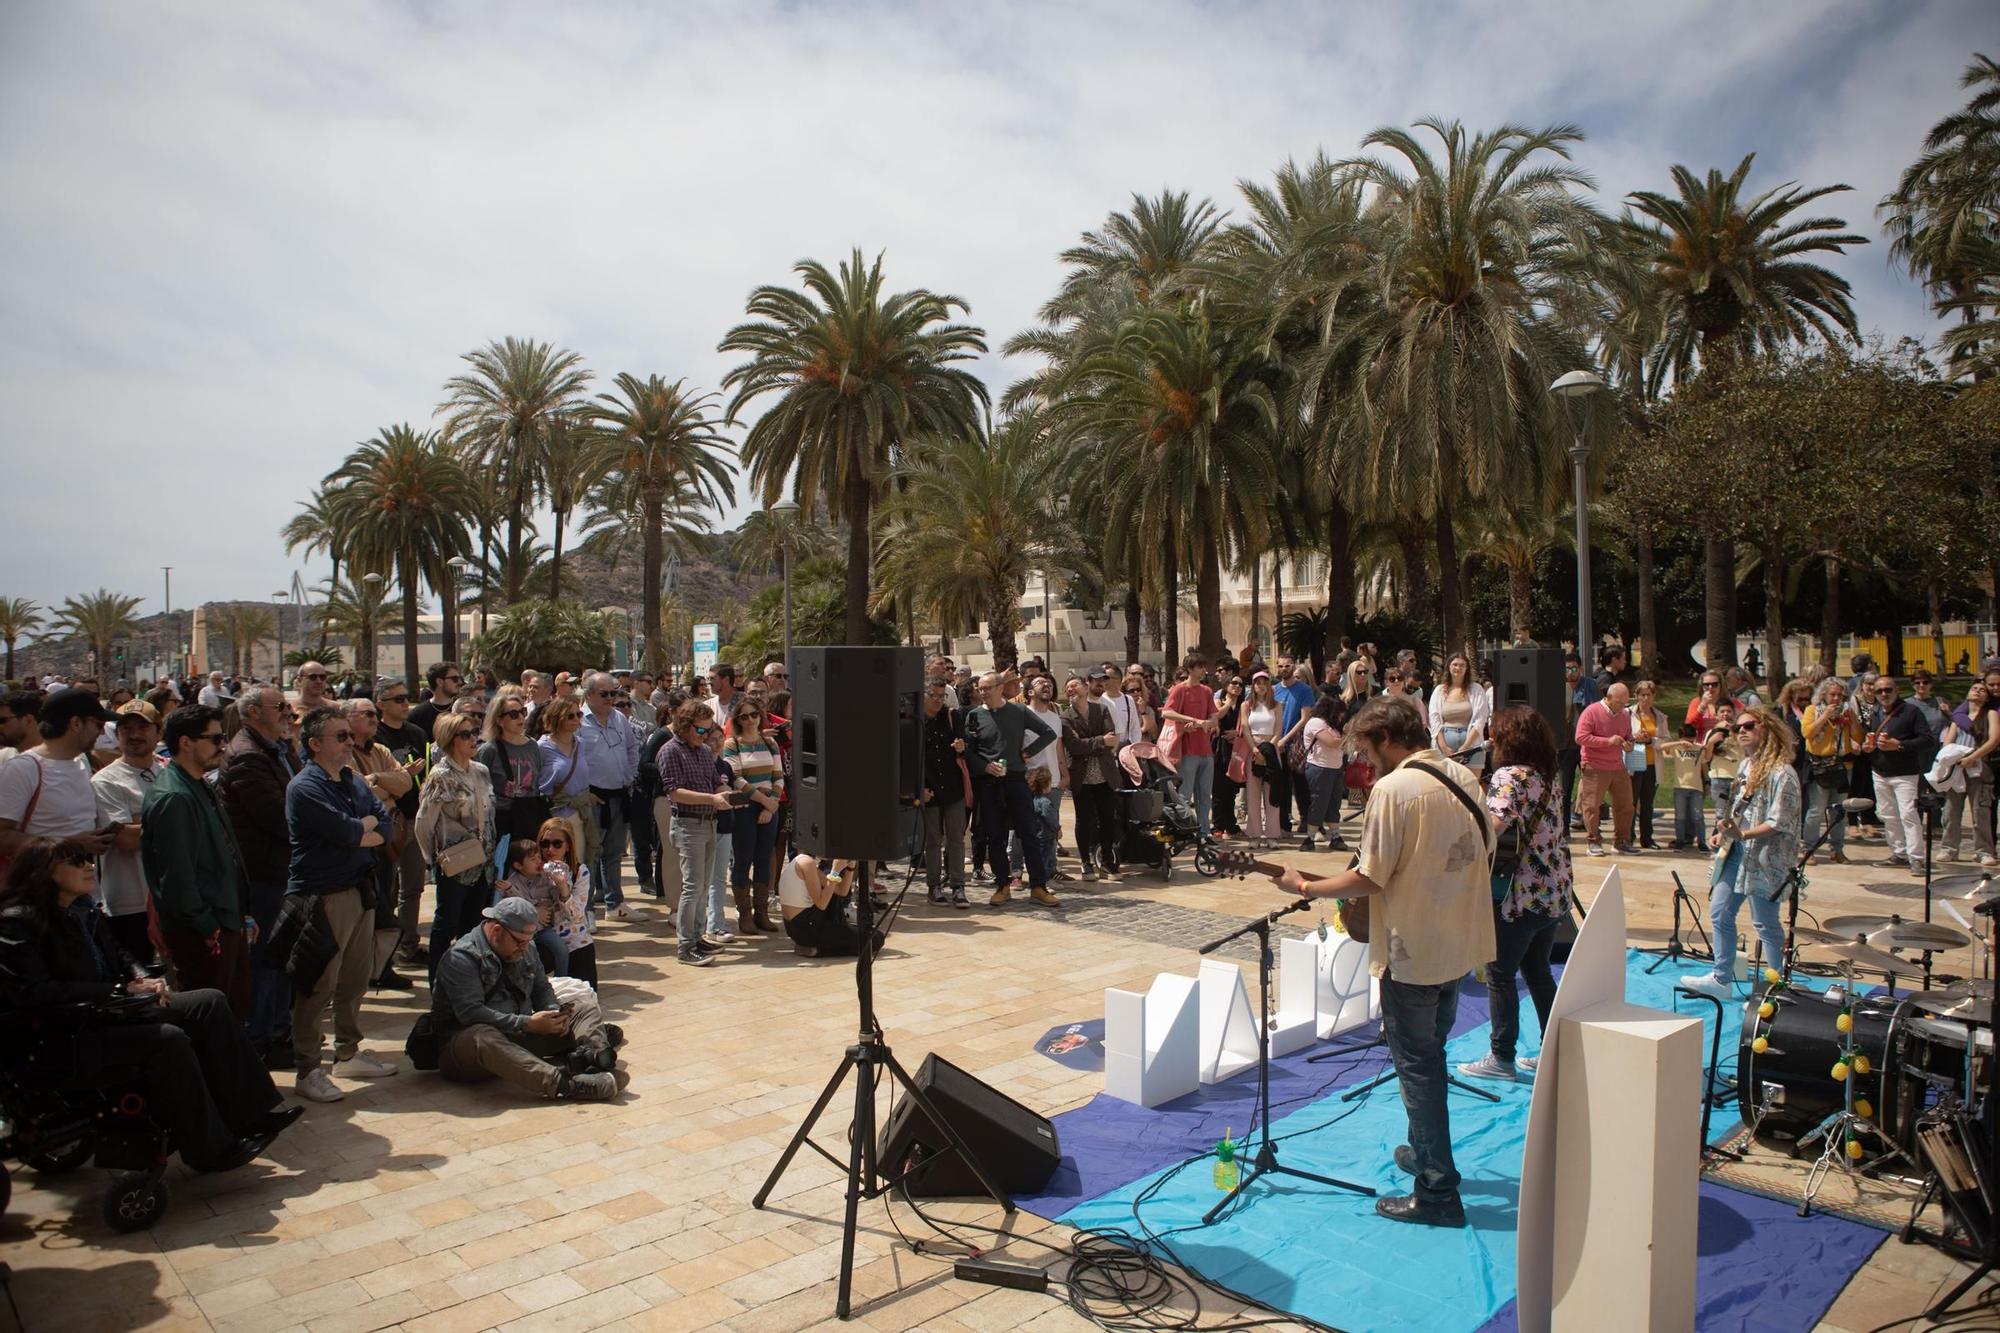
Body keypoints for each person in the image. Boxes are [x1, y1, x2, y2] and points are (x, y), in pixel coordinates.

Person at [1270, 696, 1492, 1227]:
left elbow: (1369, 876)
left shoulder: (1394, 789)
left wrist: (1305, 884)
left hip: (1412, 952)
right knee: (1430, 1054)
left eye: (1369, 750)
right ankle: (1425, 1151)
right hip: (1456, 944)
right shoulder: (1464, 776)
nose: (1367, 763)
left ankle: (1438, 1191)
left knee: (1420, 1070)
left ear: (1388, 739)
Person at [0, 837, 302, 1171]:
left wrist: (143, 977)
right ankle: (208, 1149)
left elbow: (120, 954)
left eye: (87, 858)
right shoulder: (19, 922)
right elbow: (36, 994)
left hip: (109, 1009)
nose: (88, 866)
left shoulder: (84, 909)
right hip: (67, 1030)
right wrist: (119, 989)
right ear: (45, 873)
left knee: (209, 1002)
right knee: (168, 1038)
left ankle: (250, 1116)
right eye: (75, 861)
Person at [283, 706, 396, 1103]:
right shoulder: (304, 787)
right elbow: (345, 831)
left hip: (360, 890)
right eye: (341, 737)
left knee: (354, 978)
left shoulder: (353, 781)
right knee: (318, 985)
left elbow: (385, 826)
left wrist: (361, 828)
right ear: (315, 744)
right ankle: (308, 1068)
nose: (351, 743)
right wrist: (360, 827)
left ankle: (347, 1051)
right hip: (323, 897)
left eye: (350, 735)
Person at [1460, 707, 1574, 1082]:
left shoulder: (1509, 776)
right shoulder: (1547, 775)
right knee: (1539, 972)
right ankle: (1554, 1051)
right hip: (1553, 890)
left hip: (1520, 893)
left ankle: (1501, 1056)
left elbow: (1494, 825)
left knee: (1500, 973)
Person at [431, 896, 623, 1101]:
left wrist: (554, 1013)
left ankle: (593, 1057)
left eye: (528, 941)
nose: (524, 948)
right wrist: (527, 1024)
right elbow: (470, 1014)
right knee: (482, 1037)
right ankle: (566, 1084)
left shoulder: (526, 946)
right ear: (496, 931)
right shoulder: (461, 958)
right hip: (468, 1050)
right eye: (519, 942)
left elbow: (541, 987)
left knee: (582, 1007)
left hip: (517, 1033)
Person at [139, 704, 257, 1018]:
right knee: (210, 1020)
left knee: (233, 1012)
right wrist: (207, 925)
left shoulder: (199, 784)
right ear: (185, 743)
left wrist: (240, 913)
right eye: (215, 738)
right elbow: (177, 878)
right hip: (204, 934)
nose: (223, 745)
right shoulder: (174, 797)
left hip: (225, 921)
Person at [1685, 707, 1803, 998]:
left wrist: (1744, 833)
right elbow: (1738, 810)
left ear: (1767, 728)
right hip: (1736, 851)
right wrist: (1723, 831)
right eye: (1737, 729)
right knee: (1720, 913)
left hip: (1765, 858)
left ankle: (1777, 984)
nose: (1741, 732)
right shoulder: (1746, 766)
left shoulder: (1783, 773)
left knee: (1764, 922)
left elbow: (1780, 822)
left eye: (1748, 726)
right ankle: (1721, 978)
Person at [215, 684, 299, 1065]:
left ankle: (278, 1030)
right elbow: (281, 816)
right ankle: (262, 1038)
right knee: (267, 960)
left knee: (282, 959)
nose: (287, 712)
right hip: (266, 875)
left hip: (284, 873)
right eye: (278, 706)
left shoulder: (277, 748)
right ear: (252, 714)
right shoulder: (248, 756)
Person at [965, 671, 1060, 908]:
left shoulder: (1018, 712)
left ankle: (1038, 886)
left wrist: (1027, 753)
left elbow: (1048, 733)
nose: (983, 692)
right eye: (980, 688)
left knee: (1029, 833)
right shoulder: (974, 716)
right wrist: (985, 767)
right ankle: (1002, 885)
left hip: (1017, 780)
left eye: (988, 688)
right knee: (995, 836)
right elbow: (968, 752)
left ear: (1000, 687)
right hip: (989, 784)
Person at [413, 712, 497, 974]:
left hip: (484, 863)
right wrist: (433, 859)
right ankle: (438, 984)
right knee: (446, 924)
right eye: (465, 734)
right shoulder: (441, 775)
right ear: (449, 739)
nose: (473, 739)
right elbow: (424, 823)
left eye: (474, 732)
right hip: (456, 863)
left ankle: (467, 982)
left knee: (474, 927)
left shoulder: (481, 771)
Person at [0, 689, 120, 861]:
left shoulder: (81, 763)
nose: (101, 733)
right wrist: (70, 845)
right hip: (40, 885)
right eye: (98, 725)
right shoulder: (22, 769)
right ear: (76, 723)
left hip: (84, 884)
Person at [658, 700, 734, 967]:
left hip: (709, 822)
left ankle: (698, 936)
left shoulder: (702, 751)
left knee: (703, 885)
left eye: (707, 731)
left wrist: (724, 790)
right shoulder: (669, 751)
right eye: (700, 731)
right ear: (685, 725)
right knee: (692, 887)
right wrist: (713, 799)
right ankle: (685, 945)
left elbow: (714, 782)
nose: (704, 737)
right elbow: (674, 791)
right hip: (688, 824)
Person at [90, 700, 165, 964]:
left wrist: (139, 821)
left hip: (172, 900)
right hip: (129, 903)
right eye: (126, 728)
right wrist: (177, 824)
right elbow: (123, 838)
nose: (134, 735)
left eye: (143, 727)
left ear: (159, 731)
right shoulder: (105, 781)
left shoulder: (169, 772)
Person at [578, 671, 641, 920]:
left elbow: (631, 748)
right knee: (590, 856)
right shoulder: (579, 720)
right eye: (604, 694)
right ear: (589, 694)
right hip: (593, 798)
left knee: (614, 853)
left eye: (613, 693)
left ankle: (615, 904)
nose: (610, 698)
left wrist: (630, 776)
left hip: (620, 795)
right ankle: (587, 910)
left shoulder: (618, 718)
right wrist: (585, 791)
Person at [721, 699, 785, 934]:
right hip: (746, 808)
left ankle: (762, 913)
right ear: (737, 720)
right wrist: (763, 800)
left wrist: (772, 805)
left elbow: (778, 776)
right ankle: (744, 914)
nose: (750, 720)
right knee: (743, 859)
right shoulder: (732, 744)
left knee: (764, 859)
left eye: (754, 715)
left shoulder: (770, 743)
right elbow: (736, 778)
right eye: (744, 716)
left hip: (770, 808)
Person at [1868, 675, 1940, 875]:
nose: (1884, 694)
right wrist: (1869, 746)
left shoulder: (1911, 712)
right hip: (1880, 771)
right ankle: (1898, 853)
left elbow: (1928, 740)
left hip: (1905, 773)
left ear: (1896, 690)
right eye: (1879, 691)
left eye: (1888, 690)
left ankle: (1916, 858)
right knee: (1888, 815)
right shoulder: (1875, 713)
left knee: (1909, 815)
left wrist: (1899, 745)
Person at [1060, 675, 1119, 882]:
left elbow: (1111, 739)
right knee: (1084, 821)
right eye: (1068, 687)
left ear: (1086, 688)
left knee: (1107, 820)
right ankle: (1086, 862)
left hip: (1105, 775)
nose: (1071, 689)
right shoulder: (1065, 718)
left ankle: (1107, 863)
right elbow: (1074, 747)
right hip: (1082, 777)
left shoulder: (1101, 710)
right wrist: (1100, 741)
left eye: (1074, 685)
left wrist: (1094, 743)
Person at [476, 686, 551, 847]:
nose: (520, 718)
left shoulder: (532, 745)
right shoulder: (489, 750)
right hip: (502, 818)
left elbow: (536, 781)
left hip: (530, 815)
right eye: (513, 714)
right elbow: (479, 787)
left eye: (523, 712)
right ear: (499, 720)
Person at [535, 697, 598, 886]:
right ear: (556, 718)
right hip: (556, 816)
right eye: (570, 715)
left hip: (581, 814)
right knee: (558, 868)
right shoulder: (542, 747)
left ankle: (583, 911)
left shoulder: (580, 743)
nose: (576, 719)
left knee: (581, 867)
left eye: (578, 714)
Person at [1801, 678, 1864, 865]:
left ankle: (1837, 849)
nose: (1836, 698)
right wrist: (1824, 717)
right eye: (1832, 695)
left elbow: (1858, 737)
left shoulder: (1847, 711)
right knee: (1816, 811)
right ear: (1824, 695)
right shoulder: (1812, 710)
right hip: (1820, 766)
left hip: (1843, 767)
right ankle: (1809, 849)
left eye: (1840, 695)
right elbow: (1807, 733)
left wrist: (1851, 720)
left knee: (1838, 811)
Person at [1574, 683, 1637, 856]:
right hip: (1594, 766)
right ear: (1608, 698)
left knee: (1626, 805)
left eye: (1625, 702)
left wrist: (1629, 744)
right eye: (1619, 702)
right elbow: (1580, 737)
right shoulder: (1591, 711)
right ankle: (1593, 840)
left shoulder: (1624, 715)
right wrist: (1607, 741)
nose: (1623, 706)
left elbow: (1627, 736)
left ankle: (1621, 841)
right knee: (1592, 806)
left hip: (1617, 765)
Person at [1162, 654, 1220, 839]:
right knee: (1184, 795)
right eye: (1200, 667)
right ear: (1189, 670)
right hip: (1187, 751)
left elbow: (1213, 716)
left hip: (1206, 751)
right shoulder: (1179, 690)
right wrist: (1193, 721)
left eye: (1204, 667)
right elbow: (1167, 712)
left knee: (1204, 796)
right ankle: (1184, 831)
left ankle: (1204, 832)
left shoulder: (1207, 691)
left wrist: (1208, 723)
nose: (1204, 670)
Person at [776, 854, 880, 957]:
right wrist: (835, 871)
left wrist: (850, 867)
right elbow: (822, 904)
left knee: (865, 932)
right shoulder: (807, 864)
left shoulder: (803, 861)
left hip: (797, 928)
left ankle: (830, 937)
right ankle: (818, 950)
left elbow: (841, 891)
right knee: (876, 938)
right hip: (807, 928)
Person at [496, 836, 570, 977]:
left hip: (543, 929)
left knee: (561, 948)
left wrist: (559, 882)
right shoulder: (512, 884)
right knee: (530, 953)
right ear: (518, 866)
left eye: (538, 857)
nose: (538, 861)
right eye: (532, 859)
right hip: (523, 930)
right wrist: (535, 912)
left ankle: (563, 980)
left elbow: (556, 899)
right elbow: (519, 906)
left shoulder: (545, 878)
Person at [536, 819, 597, 986]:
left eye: (557, 844)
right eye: (545, 843)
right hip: (541, 937)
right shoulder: (531, 868)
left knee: (584, 997)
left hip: (574, 939)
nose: (550, 849)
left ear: (568, 846)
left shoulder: (579, 871)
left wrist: (563, 886)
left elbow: (576, 915)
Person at [1942, 682, 1997, 867]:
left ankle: (1983, 851)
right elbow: (1948, 741)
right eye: (1974, 688)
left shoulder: (1990, 714)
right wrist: (1950, 757)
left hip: (1979, 767)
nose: (1978, 691)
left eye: (1982, 690)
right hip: (1957, 768)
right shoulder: (1959, 717)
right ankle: (1949, 848)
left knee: (1980, 811)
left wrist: (1973, 757)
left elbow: (1994, 739)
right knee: (1951, 809)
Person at [1237, 671, 1284, 850]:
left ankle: (1272, 834)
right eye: (1257, 683)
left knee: (1272, 792)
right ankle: (1254, 834)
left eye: (1264, 682)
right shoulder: (1246, 705)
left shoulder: (1277, 706)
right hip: (1253, 750)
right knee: (1253, 794)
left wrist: (1267, 749)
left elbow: (1279, 729)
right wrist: (1255, 749)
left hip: (1271, 750)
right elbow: (1245, 728)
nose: (1261, 686)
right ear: (1253, 685)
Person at [1294, 694, 1348, 852]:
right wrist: (1350, 737)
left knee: (1334, 803)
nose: (1341, 715)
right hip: (1319, 768)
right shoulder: (1316, 722)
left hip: (1335, 767)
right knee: (1319, 803)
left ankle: (1335, 836)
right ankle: (1310, 838)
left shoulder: (1333, 724)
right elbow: (1331, 742)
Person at [1627, 680, 1671, 851]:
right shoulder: (1628, 713)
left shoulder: (1660, 716)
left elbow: (1666, 740)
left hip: (1652, 763)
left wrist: (1650, 740)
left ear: (1653, 696)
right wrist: (1635, 736)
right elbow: (1622, 735)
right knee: (1631, 801)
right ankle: (1628, 836)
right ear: (1636, 696)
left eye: (1649, 695)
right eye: (1642, 694)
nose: (1645, 698)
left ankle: (1647, 838)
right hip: (1634, 763)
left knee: (1647, 803)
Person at [1427, 654, 1490, 772]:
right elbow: (1434, 720)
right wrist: (1444, 747)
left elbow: (1480, 719)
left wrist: (1466, 747)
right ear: (1449, 667)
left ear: (1467, 669)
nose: (1458, 668)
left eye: (1462, 665)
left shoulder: (1477, 689)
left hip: (1472, 743)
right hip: (1445, 742)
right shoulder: (1439, 690)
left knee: (1472, 785)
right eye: (1455, 664)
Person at [407, 660, 462, 741]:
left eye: (459, 678)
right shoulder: (417, 715)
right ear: (439, 682)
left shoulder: (464, 710)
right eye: (455, 679)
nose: (460, 682)